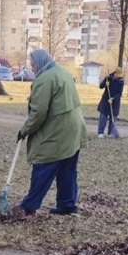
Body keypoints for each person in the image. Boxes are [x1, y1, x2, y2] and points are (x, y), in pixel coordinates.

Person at [12, 50, 87, 218]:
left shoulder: (44, 79)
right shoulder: (62, 72)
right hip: (73, 129)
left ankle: (29, 205)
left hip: (58, 130)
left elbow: (38, 113)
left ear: (40, 62)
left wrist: (24, 131)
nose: (32, 68)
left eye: (33, 64)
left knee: (44, 164)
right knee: (67, 167)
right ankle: (67, 204)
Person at [97, 66, 124, 138]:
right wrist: (106, 83)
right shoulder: (108, 78)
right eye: (117, 75)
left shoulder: (121, 81)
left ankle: (111, 133)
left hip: (115, 102)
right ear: (114, 73)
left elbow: (119, 93)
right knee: (103, 117)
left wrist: (113, 99)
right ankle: (100, 132)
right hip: (106, 100)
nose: (118, 77)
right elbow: (101, 86)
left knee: (113, 118)